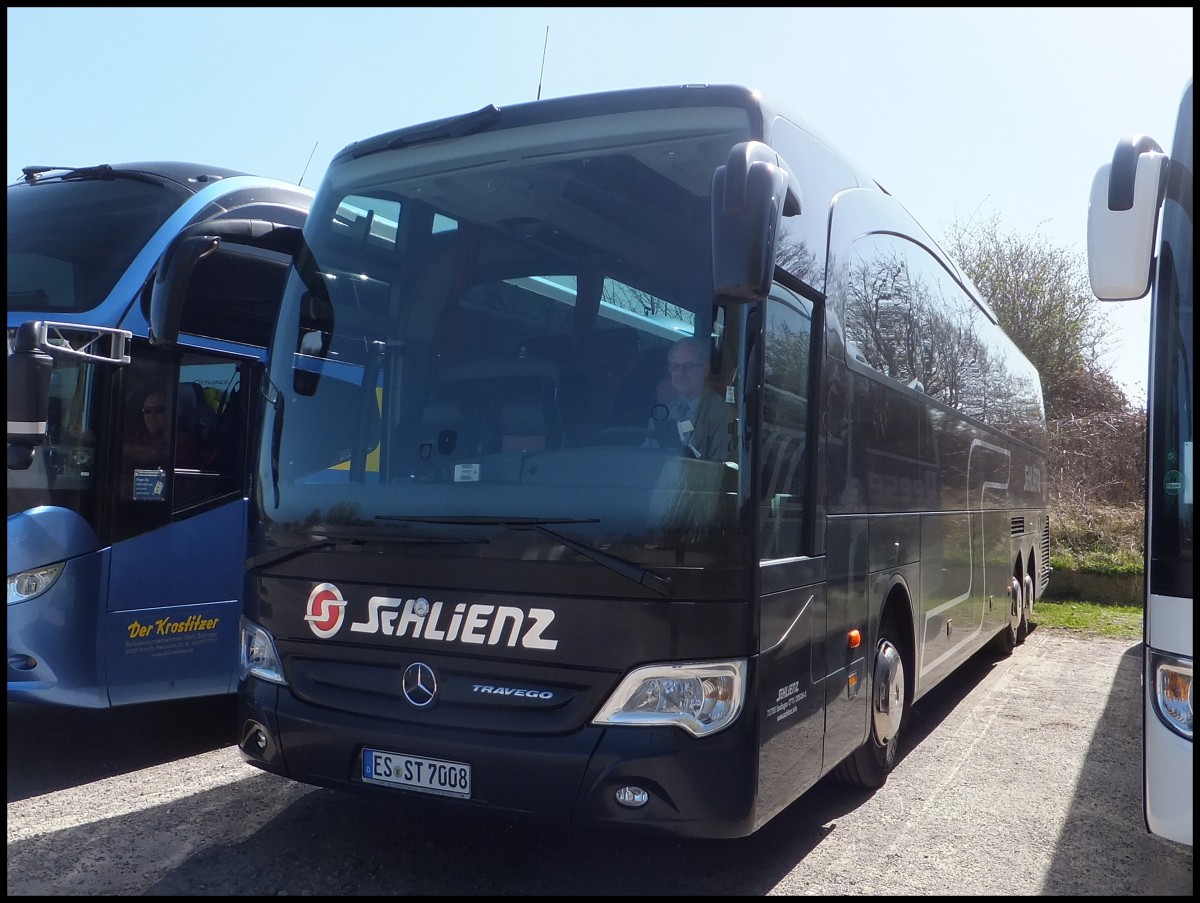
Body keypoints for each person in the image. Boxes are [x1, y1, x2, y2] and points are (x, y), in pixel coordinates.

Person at [646, 336, 736, 461]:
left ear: (705, 370)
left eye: (689, 366)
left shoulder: (724, 416)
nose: (681, 373)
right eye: (675, 366)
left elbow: (721, 468)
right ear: (669, 371)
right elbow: (647, 459)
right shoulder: (663, 414)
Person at [124, 386, 202, 469]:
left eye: (159, 409)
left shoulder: (179, 439)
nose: (152, 415)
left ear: (173, 411)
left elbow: (149, 456)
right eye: (147, 410)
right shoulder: (139, 435)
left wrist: (119, 447)